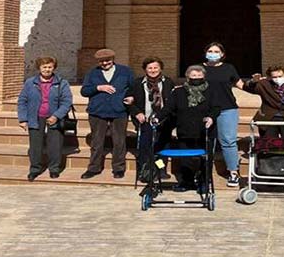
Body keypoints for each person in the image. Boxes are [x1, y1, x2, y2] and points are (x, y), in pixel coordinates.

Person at [154, 65, 220, 192]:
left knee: (205, 158)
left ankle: (204, 182)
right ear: (188, 77)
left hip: (205, 130)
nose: (196, 78)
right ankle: (187, 182)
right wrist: (157, 117)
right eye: (193, 76)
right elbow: (168, 108)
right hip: (185, 129)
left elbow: (216, 107)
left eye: (199, 76)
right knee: (185, 158)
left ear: (204, 77)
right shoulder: (178, 92)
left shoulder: (211, 91)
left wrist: (211, 117)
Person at [80, 48, 134, 179]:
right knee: (97, 142)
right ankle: (94, 168)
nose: (105, 63)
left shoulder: (125, 71)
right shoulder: (92, 73)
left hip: (119, 110)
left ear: (113, 59)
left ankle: (118, 168)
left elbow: (133, 88)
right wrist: (98, 87)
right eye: (101, 61)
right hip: (97, 111)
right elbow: (84, 91)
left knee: (119, 141)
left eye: (107, 60)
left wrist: (131, 97)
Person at [17, 56, 73, 181]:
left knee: (55, 144)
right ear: (39, 68)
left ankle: (54, 168)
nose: (47, 70)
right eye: (44, 67)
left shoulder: (62, 82)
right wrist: (23, 119)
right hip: (35, 117)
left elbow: (67, 102)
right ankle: (35, 169)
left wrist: (56, 116)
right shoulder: (30, 82)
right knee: (35, 145)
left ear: (54, 68)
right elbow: (22, 101)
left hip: (55, 117)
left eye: (50, 67)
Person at [202, 42, 244, 188]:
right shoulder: (199, 68)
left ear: (222, 54)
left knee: (228, 140)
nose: (213, 53)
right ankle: (202, 173)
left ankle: (233, 172)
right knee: (205, 141)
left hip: (227, 109)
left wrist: (260, 85)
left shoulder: (228, 68)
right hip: (205, 110)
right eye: (210, 50)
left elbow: (241, 84)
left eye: (216, 51)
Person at [129, 57, 175, 181]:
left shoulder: (168, 82)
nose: (153, 70)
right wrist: (137, 113)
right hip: (145, 120)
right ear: (145, 69)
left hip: (163, 120)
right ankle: (146, 169)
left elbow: (173, 101)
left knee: (161, 146)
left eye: (156, 67)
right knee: (146, 147)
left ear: (160, 69)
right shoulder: (137, 83)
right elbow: (127, 101)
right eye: (150, 68)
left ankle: (160, 169)